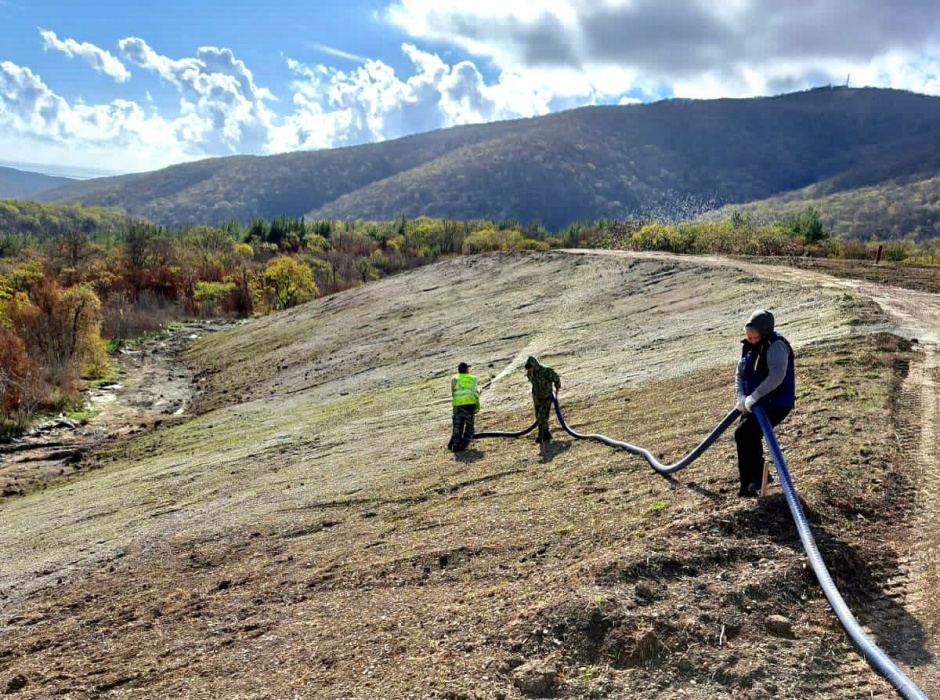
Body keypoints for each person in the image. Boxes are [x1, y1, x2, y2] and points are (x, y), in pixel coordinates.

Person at [734, 309, 795, 497]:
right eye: (748, 337)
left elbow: (777, 375)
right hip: (755, 403)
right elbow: (740, 373)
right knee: (741, 434)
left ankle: (760, 477)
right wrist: (741, 397)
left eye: (754, 337)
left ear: (764, 332)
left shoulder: (776, 346)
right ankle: (747, 487)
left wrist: (755, 396)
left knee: (747, 432)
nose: (750, 340)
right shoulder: (749, 346)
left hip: (775, 403)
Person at [525, 356, 561, 444]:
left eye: (531, 368)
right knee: (539, 416)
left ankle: (540, 436)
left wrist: (556, 390)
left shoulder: (546, 371)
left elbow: (556, 378)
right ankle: (546, 434)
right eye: (528, 369)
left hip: (546, 398)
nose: (530, 370)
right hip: (537, 398)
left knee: (542, 417)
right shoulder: (530, 373)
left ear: (535, 366)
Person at [448, 362, 482, 452]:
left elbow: (453, 393)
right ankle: (462, 445)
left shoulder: (454, 379)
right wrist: (479, 391)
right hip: (468, 406)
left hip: (457, 406)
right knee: (469, 428)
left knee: (457, 427)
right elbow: (475, 393)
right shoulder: (473, 378)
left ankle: (454, 446)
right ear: (467, 369)